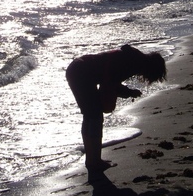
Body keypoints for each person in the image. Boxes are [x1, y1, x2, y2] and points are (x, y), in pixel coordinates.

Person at [66, 45, 166, 176]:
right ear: (151, 69)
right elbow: (111, 83)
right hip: (82, 74)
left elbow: (109, 79)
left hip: (76, 69)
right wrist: (129, 92)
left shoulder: (134, 57)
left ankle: (91, 160)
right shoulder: (133, 63)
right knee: (95, 117)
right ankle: (95, 161)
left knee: (90, 116)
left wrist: (127, 92)